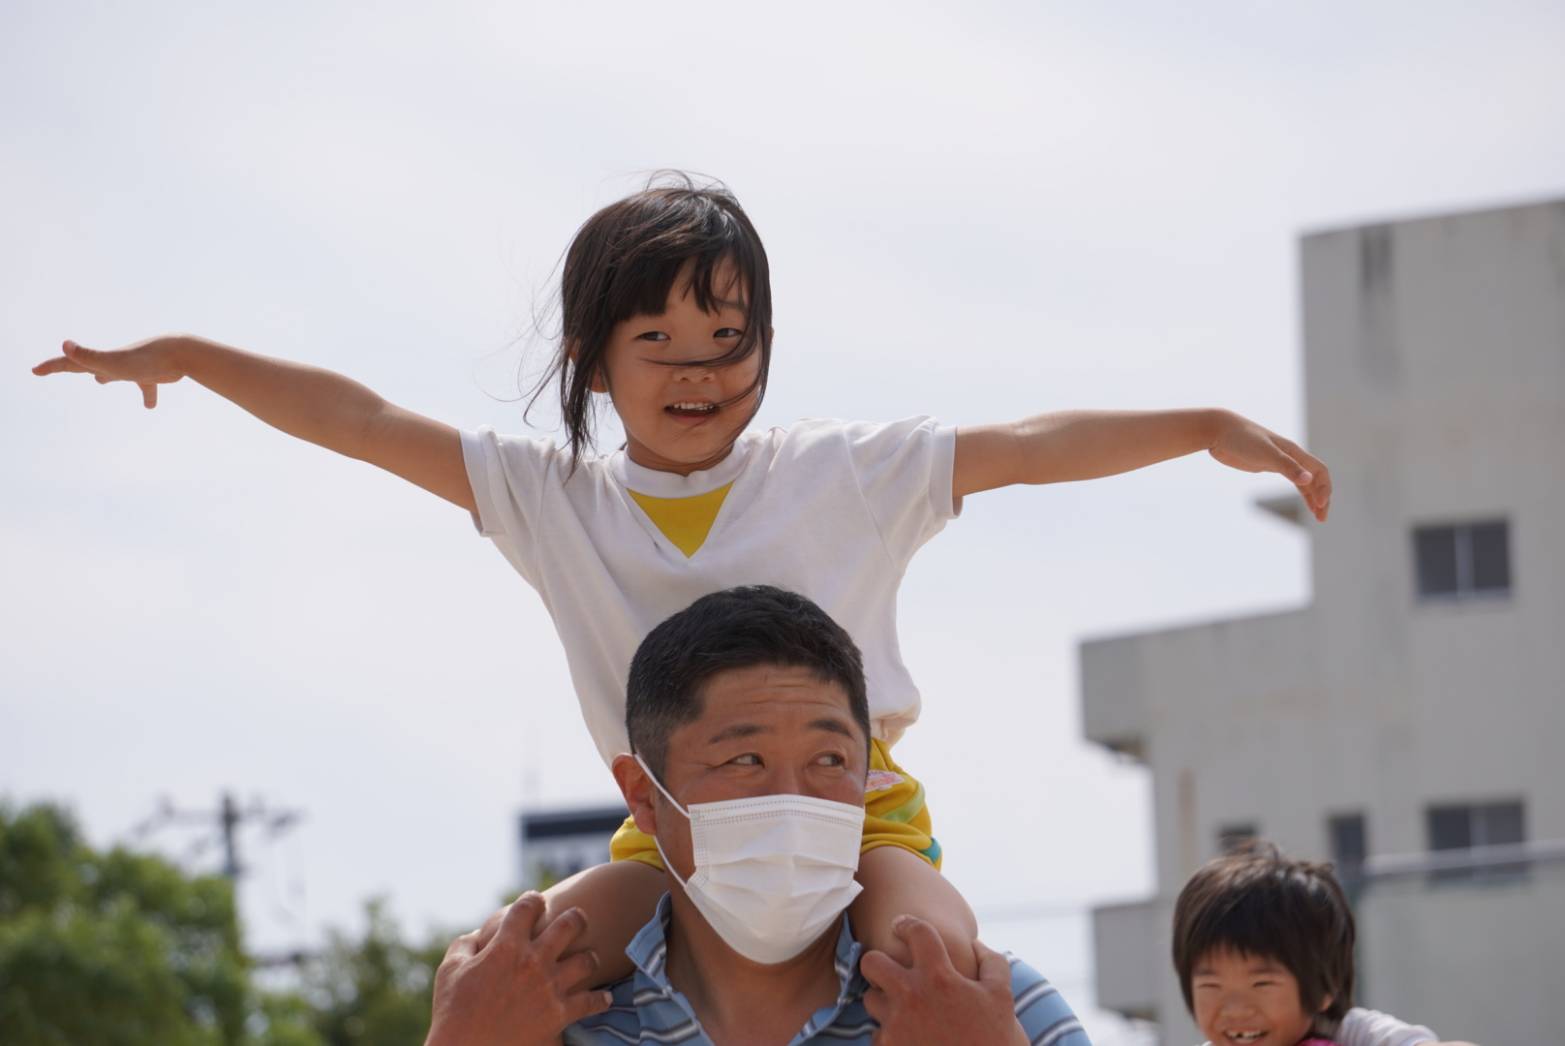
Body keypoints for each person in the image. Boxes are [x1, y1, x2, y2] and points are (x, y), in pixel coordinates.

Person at [32, 172, 1334, 983]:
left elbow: (1030, 446)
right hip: (666, 833)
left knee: (937, 964)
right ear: (594, 358)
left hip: (857, 814)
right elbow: (363, 420)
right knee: (497, 973)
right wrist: (197, 353)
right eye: (659, 339)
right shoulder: (550, 497)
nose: (701, 369)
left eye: (730, 337)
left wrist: (1200, 422)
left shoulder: (847, 473)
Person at [425, 585, 1089, 1046]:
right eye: (743, 761)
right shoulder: (548, 1023)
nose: (791, 799)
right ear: (644, 797)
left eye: (828, 761)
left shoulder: (994, 1007)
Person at [1173, 844, 1478, 1046]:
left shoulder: (1347, 1031)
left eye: (1261, 983)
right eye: (1211, 987)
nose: (1235, 1009)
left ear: (1322, 988)